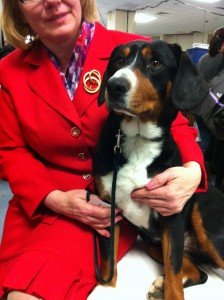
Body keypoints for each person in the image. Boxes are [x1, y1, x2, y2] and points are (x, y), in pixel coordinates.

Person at [0, 0, 207, 299]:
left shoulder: (131, 49)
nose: (52, 0)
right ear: (16, 10)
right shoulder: (9, 71)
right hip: (45, 205)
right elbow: (10, 151)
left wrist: (193, 172)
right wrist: (56, 199)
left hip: (118, 214)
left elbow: (174, 124)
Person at [196, 27, 224, 155]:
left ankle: (202, 170)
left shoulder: (203, 58)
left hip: (199, 107)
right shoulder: (221, 59)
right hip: (214, 109)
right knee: (214, 147)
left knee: (206, 144)